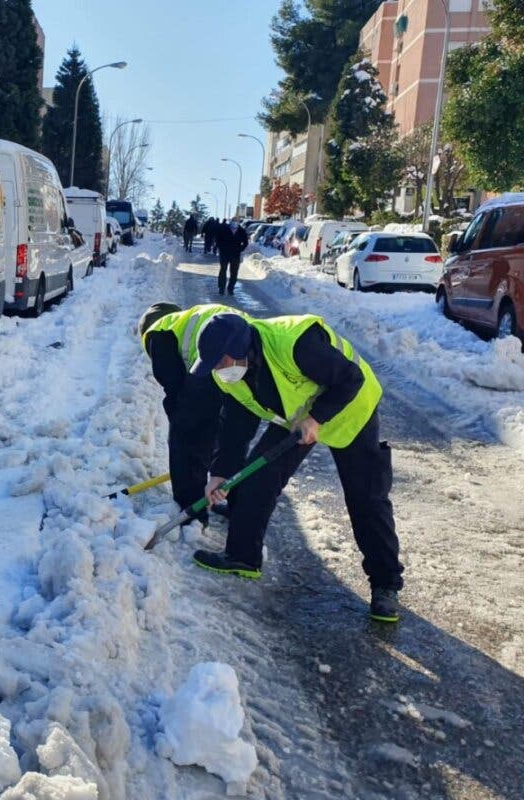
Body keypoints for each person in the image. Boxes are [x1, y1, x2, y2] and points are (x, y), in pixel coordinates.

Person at [187, 313, 404, 623]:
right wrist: (220, 473)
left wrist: (317, 418)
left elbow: (350, 378)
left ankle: (385, 585)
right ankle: (242, 556)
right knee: (257, 477)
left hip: (350, 408)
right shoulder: (232, 377)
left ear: (240, 349)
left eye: (221, 362)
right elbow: (235, 427)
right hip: (297, 416)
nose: (220, 371)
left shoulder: (295, 344)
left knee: (366, 498)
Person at [137, 302, 242, 528]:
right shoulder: (191, 318)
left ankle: (191, 510)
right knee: (231, 437)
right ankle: (239, 506)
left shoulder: (159, 333)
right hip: (245, 352)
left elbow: (174, 389)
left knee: (186, 437)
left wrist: (182, 423)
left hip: (216, 361)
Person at [216, 218, 249, 296]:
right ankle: (221, 288)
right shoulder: (224, 229)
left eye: (236, 222)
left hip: (235, 254)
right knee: (223, 270)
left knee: (234, 272)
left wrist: (240, 249)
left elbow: (245, 242)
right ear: (230, 222)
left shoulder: (241, 231)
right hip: (224, 253)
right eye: (233, 221)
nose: (234, 223)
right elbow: (218, 240)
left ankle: (231, 288)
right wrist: (221, 248)